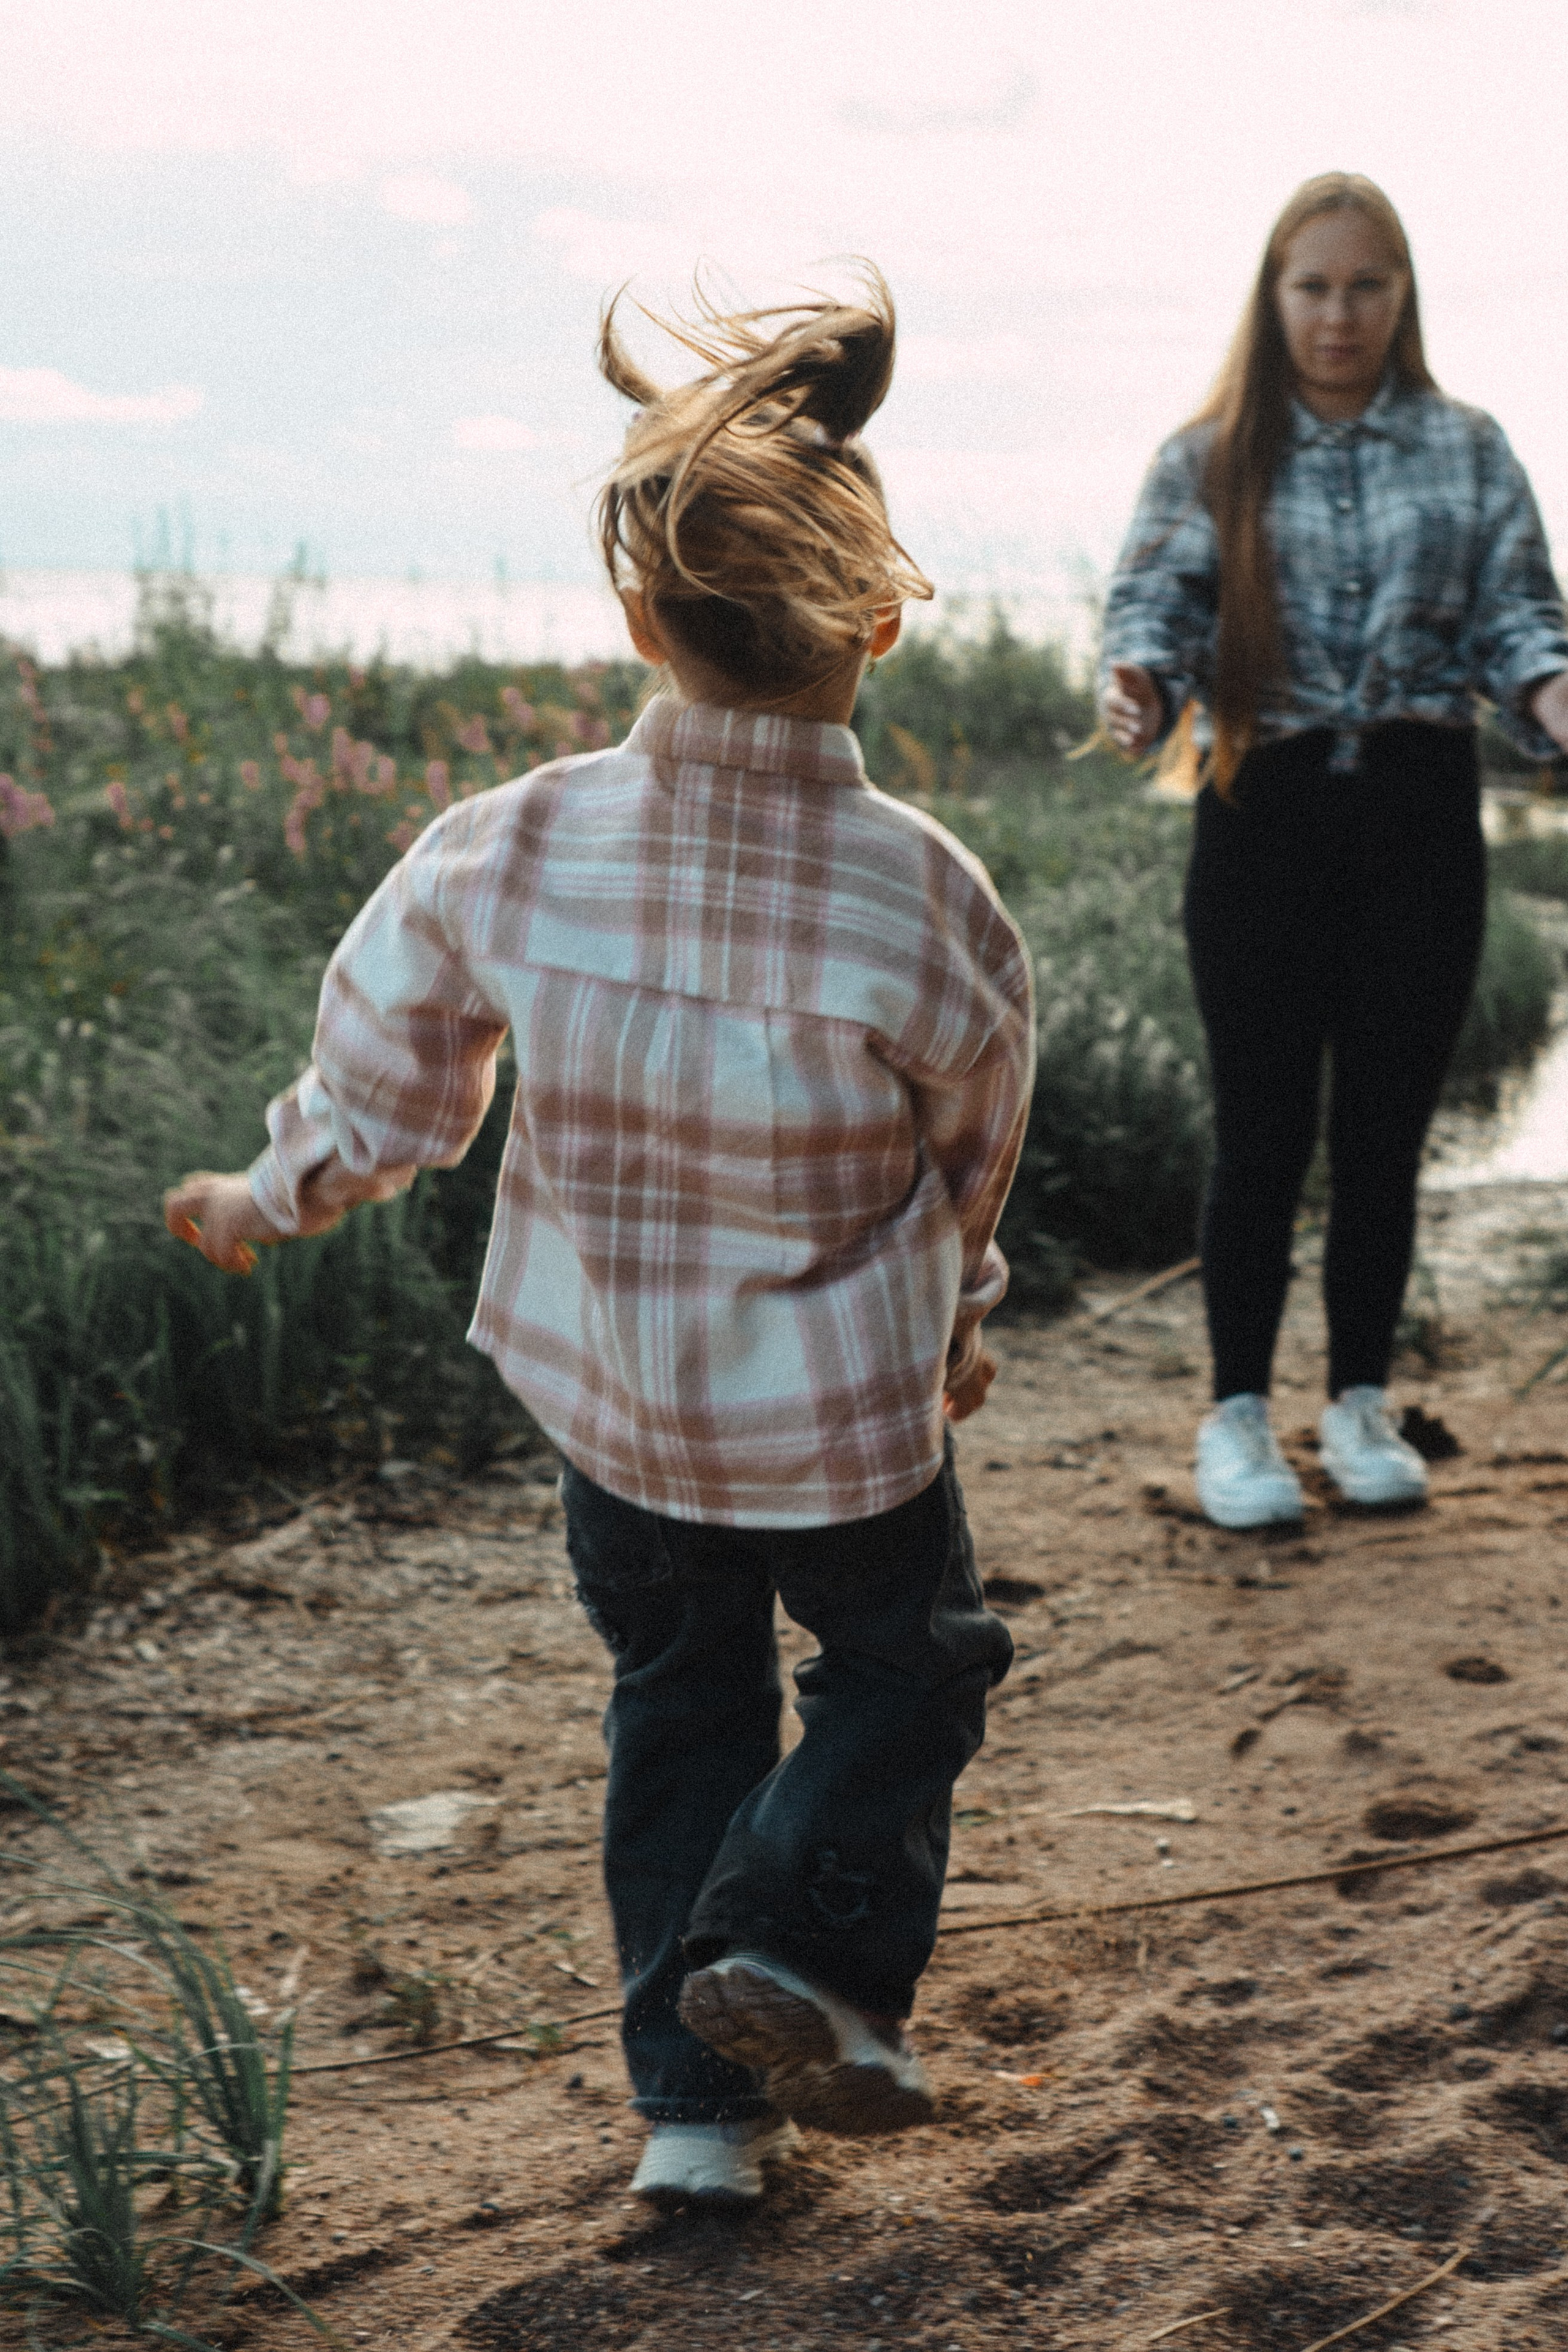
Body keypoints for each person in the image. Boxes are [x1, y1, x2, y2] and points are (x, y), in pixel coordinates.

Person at [164, 271, 1033, 2206]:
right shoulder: (933, 905)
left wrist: (267, 1191)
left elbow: (389, 1086)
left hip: (621, 1427)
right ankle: (792, 1957)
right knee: (913, 1673)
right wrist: (959, 1314)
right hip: (840, 1440)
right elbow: (970, 1163)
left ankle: (693, 2129)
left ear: (638, 620)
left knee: (679, 1704)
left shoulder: (513, 843)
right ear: (879, 626)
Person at [1100, 172, 1568, 1531]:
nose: (1338, 313)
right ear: (1273, 295)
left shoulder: (1467, 446)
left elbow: (1517, 617)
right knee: (1259, 1130)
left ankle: (1357, 1403)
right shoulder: (1208, 455)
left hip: (1421, 813)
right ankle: (1234, 1416)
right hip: (1262, 811)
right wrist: (1137, 686)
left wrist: (1548, 698)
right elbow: (1153, 607)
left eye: (1365, 285)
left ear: (1400, 295)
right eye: (1312, 286)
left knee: (1383, 1134)